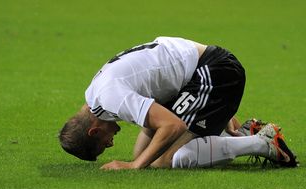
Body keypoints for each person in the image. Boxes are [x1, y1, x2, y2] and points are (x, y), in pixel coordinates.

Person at [59, 36, 298, 169]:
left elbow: (173, 125)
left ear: (93, 130)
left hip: (213, 71)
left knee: (167, 160)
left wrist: (134, 167)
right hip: (196, 74)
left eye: (103, 144)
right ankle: (244, 132)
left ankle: (262, 142)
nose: (110, 145)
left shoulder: (110, 97)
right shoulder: (94, 98)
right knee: (142, 152)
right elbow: (153, 112)